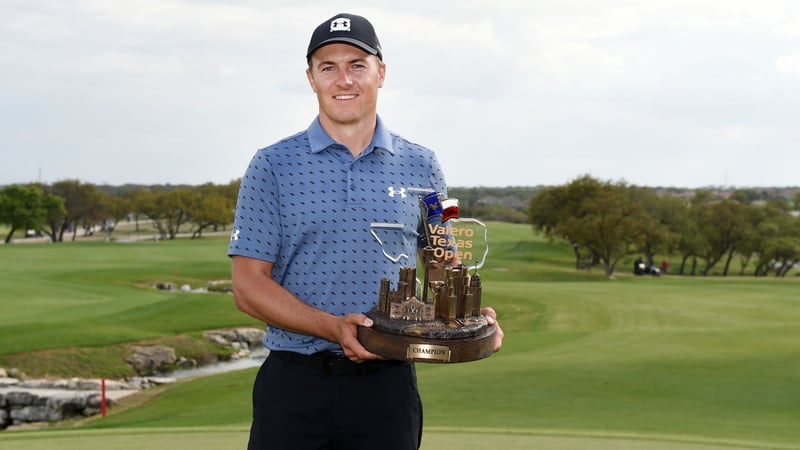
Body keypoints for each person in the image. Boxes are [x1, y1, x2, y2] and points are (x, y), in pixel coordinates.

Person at [227, 12, 504, 450]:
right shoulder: (270, 165)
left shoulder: (425, 164)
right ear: (311, 78)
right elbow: (247, 287)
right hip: (294, 384)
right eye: (328, 67)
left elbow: (443, 261)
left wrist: (468, 314)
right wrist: (333, 327)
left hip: (387, 388)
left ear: (381, 73)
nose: (344, 80)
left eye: (357, 64)